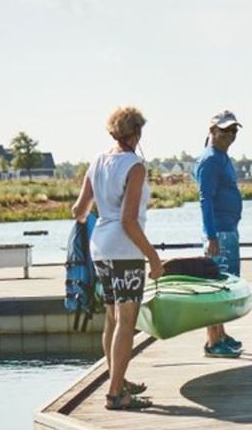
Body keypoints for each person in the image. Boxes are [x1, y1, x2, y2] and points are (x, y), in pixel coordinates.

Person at [71, 106, 163, 411]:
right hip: (125, 251)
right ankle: (115, 394)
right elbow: (129, 221)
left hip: (101, 248)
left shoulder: (97, 161)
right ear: (136, 132)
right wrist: (153, 258)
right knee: (127, 321)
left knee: (112, 319)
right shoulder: (135, 166)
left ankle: (117, 380)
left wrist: (103, 212)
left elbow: (79, 211)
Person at [194, 110, 244, 358]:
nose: (230, 135)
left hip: (228, 230)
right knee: (217, 287)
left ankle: (221, 334)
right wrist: (212, 236)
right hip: (219, 233)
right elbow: (205, 199)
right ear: (212, 130)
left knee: (225, 284)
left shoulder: (222, 157)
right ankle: (213, 341)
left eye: (234, 130)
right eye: (225, 130)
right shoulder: (210, 160)